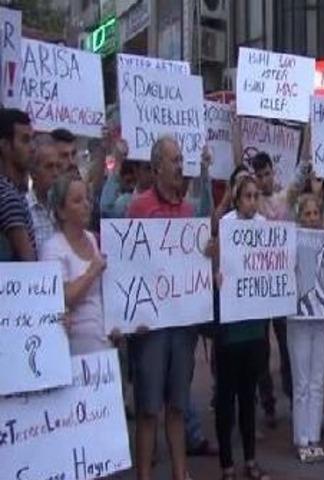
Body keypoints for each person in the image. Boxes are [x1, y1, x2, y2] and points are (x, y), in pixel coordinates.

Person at [125, 136, 199, 480]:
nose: (180, 165)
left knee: (177, 405)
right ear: (156, 168)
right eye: (174, 159)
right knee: (149, 408)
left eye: (182, 158)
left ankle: (180, 473)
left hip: (182, 323)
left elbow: (193, 261)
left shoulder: (189, 210)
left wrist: (208, 253)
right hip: (151, 326)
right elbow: (127, 264)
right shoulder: (138, 207)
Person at [209, 166, 271, 480]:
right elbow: (214, 264)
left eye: (255, 196)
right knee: (226, 398)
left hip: (255, 328)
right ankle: (226, 464)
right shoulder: (225, 225)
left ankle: (250, 460)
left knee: (248, 396)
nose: (251, 201)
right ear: (236, 199)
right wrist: (216, 272)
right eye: (246, 196)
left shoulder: (264, 226)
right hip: (229, 328)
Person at [250, 150, 305, 427]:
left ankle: (293, 399)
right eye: (258, 176)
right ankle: (268, 403)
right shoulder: (251, 204)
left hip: (284, 288)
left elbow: (302, 167)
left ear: (274, 172)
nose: (263, 180)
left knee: (287, 348)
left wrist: (307, 122)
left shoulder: (286, 197)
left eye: (267, 174)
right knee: (260, 349)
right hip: (260, 291)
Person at [288, 194, 324, 463]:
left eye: (315, 213)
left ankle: (314, 436)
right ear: (299, 216)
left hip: (322, 317)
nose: (311, 218)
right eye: (306, 214)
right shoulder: (292, 239)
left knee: (319, 377)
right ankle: (301, 438)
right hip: (298, 317)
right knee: (302, 381)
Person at [39, 174, 110, 354]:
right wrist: (91, 272)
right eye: (78, 201)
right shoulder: (52, 249)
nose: (86, 205)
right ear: (61, 211)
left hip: (103, 344)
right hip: (74, 351)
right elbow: (61, 297)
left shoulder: (93, 240)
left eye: (88, 198)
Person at [0, 108, 35, 262]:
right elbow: (28, 260)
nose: (32, 147)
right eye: (25, 140)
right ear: (5, 146)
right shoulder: (8, 196)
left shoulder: (13, 191)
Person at [27, 135, 61, 252]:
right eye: (49, 167)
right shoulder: (24, 209)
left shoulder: (63, 205)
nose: (56, 173)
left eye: (58, 166)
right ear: (33, 172)